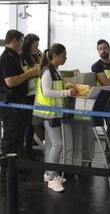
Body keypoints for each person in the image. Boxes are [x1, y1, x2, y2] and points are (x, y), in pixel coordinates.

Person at [33, 43, 78, 192]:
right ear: (55, 56)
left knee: (53, 144)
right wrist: (67, 93)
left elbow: (56, 88)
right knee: (57, 144)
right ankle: (52, 178)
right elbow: (47, 92)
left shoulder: (54, 71)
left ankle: (49, 174)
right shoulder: (47, 71)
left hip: (54, 112)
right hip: (49, 113)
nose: (66, 58)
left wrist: (67, 88)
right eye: (63, 55)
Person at [0, 30, 39, 157]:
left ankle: (16, 170)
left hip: (17, 104)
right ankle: (8, 174)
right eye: (21, 41)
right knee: (12, 140)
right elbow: (10, 82)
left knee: (18, 138)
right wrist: (30, 73)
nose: (22, 44)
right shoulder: (8, 58)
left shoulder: (13, 56)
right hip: (11, 106)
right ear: (14, 40)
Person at [20, 33, 40, 160]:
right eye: (35, 45)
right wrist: (31, 73)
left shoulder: (37, 57)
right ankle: (23, 153)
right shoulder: (21, 57)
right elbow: (21, 76)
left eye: (38, 45)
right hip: (26, 95)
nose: (37, 48)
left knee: (32, 125)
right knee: (26, 124)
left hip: (36, 95)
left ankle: (29, 151)